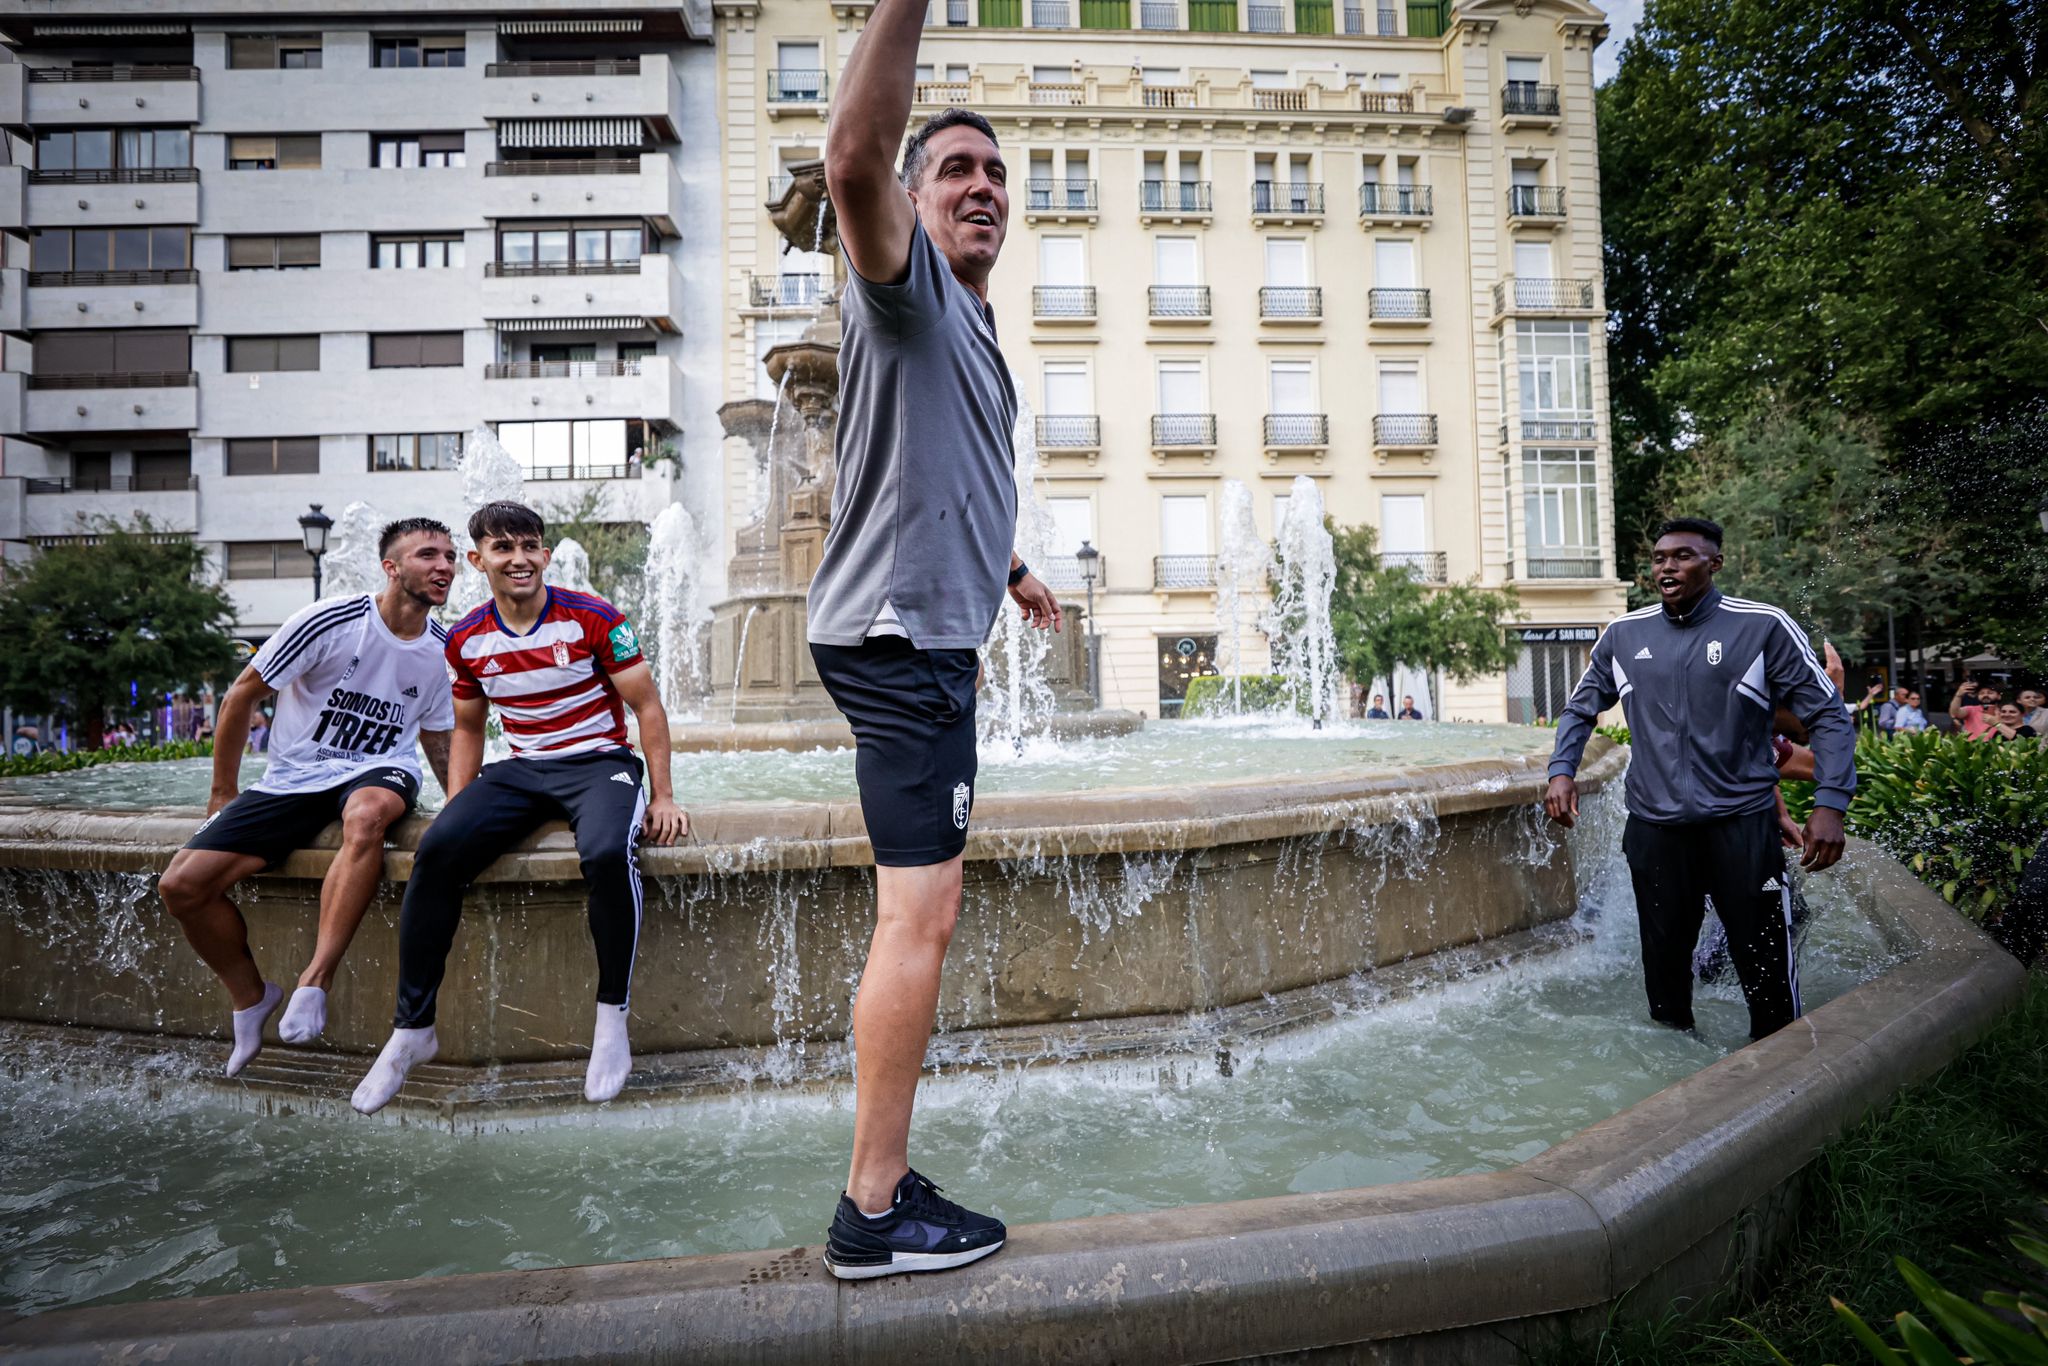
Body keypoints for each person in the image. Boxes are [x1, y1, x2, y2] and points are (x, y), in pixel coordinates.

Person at [807, 8, 1063, 1281]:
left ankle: (883, 1178)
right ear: (912, 205)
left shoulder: (973, 328)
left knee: (924, 909)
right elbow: (853, 153)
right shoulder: (904, 287)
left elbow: (956, 472)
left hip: (926, 636)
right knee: (920, 916)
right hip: (898, 642)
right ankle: (873, 1208)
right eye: (953, 167)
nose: (980, 186)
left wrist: (1009, 571)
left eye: (994, 172)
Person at [351, 502, 686, 1116]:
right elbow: (469, 728)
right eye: (503, 548)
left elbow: (648, 707)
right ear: (479, 560)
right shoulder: (466, 638)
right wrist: (458, 807)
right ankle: (413, 1028)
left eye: (530, 546)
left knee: (609, 854)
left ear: (546, 555)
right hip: (524, 770)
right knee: (437, 852)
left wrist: (662, 794)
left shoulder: (596, 619)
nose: (520, 558)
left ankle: (611, 1019)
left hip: (599, 763)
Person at [156, 518, 459, 1077]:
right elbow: (241, 696)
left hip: (380, 768)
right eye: (427, 555)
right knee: (182, 887)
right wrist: (223, 790)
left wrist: (463, 809)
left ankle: (314, 979)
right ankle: (251, 997)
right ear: (391, 568)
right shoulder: (330, 621)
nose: (444, 566)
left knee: (366, 818)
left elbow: (440, 742)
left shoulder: (445, 650)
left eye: (449, 556)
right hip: (294, 777)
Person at [1543, 517, 1855, 1041]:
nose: (1668, 566)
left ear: (1715, 563)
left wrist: (1830, 805)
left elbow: (1827, 714)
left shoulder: (1763, 626)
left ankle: (1781, 1077)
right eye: (1661, 557)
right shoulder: (1624, 634)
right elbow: (1579, 709)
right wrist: (1561, 772)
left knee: (1766, 968)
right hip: (1656, 830)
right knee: (1664, 970)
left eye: (1684, 556)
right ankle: (1683, 1077)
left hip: (1741, 828)